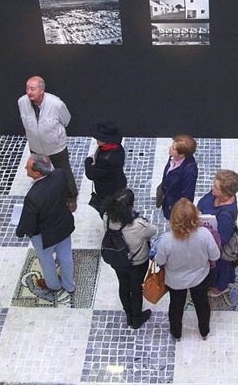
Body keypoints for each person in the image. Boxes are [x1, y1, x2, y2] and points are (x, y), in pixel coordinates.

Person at [154, 198, 220, 341]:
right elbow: (215, 255)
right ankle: (204, 331)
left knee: (176, 307)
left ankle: (176, 333)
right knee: (202, 305)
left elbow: (160, 261)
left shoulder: (166, 240)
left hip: (175, 281)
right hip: (200, 278)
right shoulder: (204, 234)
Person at [15, 154, 76, 293]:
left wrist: (20, 232)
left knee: (46, 260)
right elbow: (68, 192)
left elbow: (28, 221)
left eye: (28, 167)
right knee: (66, 257)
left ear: (37, 173)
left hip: (44, 235)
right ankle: (69, 285)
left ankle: (53, 284)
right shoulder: (60, 174)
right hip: (64, 226)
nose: (25, 168)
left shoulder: (33, 196)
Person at [18, 76, 78, 210]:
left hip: (55, 147)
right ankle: (46, 194)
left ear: (42, 90)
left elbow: (66, 120)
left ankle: (71, 196)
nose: (28, 92)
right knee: (39, 172)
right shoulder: (22, 102)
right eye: (27, 88)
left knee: (63, 171)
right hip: (36, 147)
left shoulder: (56, 104)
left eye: (32, 89)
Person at [102, 188, 157, 329]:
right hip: (137, 262)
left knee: (123, 285)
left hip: (118, 260)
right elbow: (153, 231)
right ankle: (137, 318)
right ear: (130, 207)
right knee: (136, 289)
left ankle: (129, 315)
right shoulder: (138, 225)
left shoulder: (107, 217)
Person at [197, 169, 238, 297]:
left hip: (217, 249)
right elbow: (204, 201)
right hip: (206, 233)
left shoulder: (226, 215)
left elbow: (222, 239)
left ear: (226, 194)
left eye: (216, 187)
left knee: (221, 269)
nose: (212, 188)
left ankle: (220, 287)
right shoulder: (216, 194)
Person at [84, 122, 128, 213]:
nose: (97, 141)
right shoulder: (117, 148)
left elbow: (91, 174)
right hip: (118, 181)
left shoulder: (106, 159)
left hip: (108, 189)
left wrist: (88, 161)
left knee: (108, 209)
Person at [158, 134, 198, 220]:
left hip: (174, 207)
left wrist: (176, 210)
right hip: (168, 199)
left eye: (173, 148)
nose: (169, 148)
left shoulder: (189, 172)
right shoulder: (173, 157)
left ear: (182, 154)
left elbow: (186, 196)